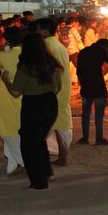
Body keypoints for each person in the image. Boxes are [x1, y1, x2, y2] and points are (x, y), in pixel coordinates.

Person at [2, 32, 63, 190]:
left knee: (29, 144)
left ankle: (38, 182)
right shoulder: (52, 63)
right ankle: (47, 173)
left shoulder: (26, 66)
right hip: (50, 103)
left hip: (33, 104)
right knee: (39, 140)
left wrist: (6, 81)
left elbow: (16, 92)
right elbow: (57, 88)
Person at [36, 19, 74, 166]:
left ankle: (44, 157)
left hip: (51, 90)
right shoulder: (61, 46)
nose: (38, 32)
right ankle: (62, 157)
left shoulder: (46, 46)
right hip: (63, 89)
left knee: (48, 125)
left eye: (39, 29)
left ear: (44, 31)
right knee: (59, 126)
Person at [0, 26, 26, 174]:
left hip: (8, 97)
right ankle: (13, 166)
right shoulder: (28, 54)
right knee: (16, 133)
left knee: (8, 133)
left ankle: (24, 163)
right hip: (26, 97)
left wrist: (5, 50)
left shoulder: (2, 55)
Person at [76, 38, 108, 145]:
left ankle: (85, 138)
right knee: (99, 115)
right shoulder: (103, 50)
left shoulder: (83, 51)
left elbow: (78, 72)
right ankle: (99, 138)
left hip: (86, 87)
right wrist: (102, 71)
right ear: (107, 46)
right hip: (99, 87)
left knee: (85, 114)